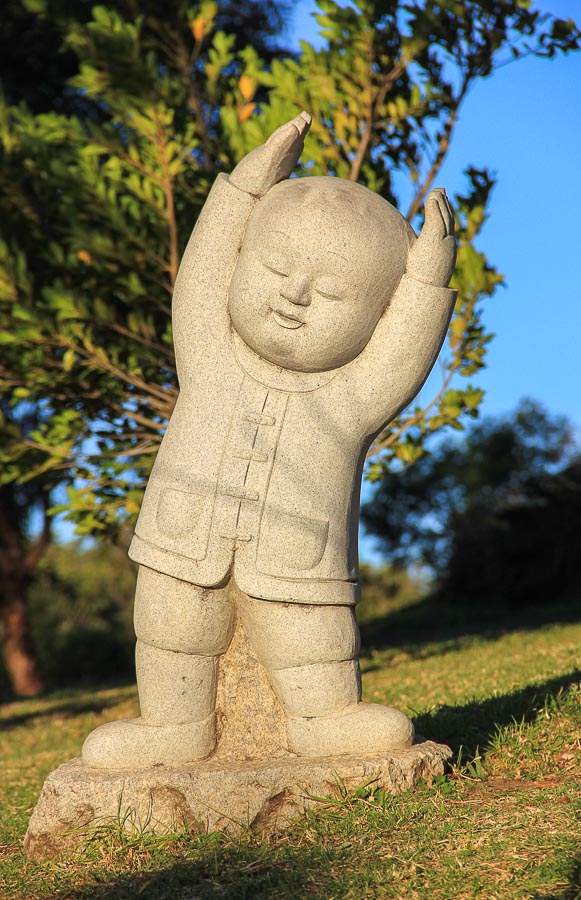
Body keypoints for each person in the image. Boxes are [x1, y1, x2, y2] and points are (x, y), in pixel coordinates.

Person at [83, 112, 457, 769]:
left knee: (312, 638)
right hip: (183, 535)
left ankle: (323, 721)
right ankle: (173, 727)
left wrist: (426, 283)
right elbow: (199, 279)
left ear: (376, 316)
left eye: (333, 292)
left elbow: (400, 359)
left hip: (295, 561)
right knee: (172, 628)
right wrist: (247, 187)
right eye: (277, 266)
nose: (295, 294)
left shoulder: (348, 399)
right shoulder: (208, 359)